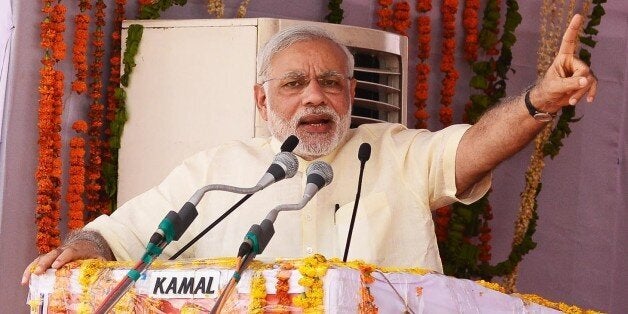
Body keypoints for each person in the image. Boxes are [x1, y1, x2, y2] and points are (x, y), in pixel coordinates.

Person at [22, 14, 596, 284]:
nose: (314, 98)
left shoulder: (392, 152)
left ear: (351, 92)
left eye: (331, 83)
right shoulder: (217, 172)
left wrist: (540, 100)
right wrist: (80, 247)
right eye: (294, 84)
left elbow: (474, 148)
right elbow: (117, 235)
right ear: (262, 97)